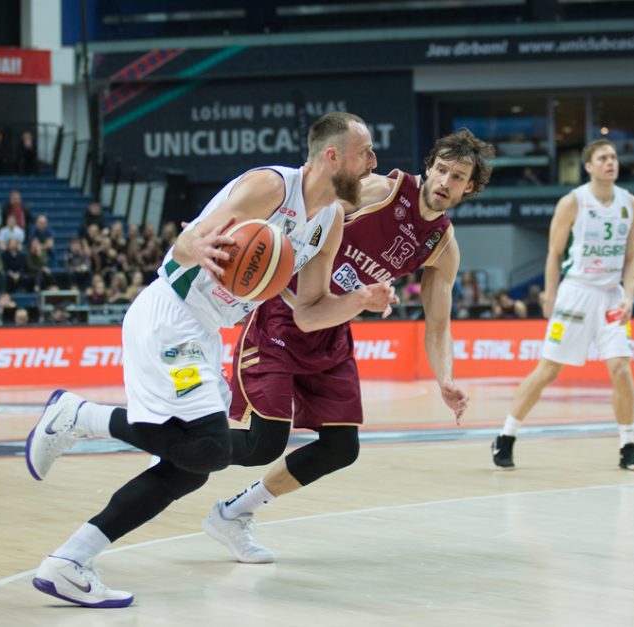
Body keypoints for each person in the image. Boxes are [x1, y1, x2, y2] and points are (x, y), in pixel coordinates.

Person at [23, 112, 395, 608]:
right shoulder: (269, 187)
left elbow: (307, 314)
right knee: (205, 448)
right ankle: (80, 417)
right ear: (333, 156)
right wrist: (192, 243)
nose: (373, 162)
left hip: (203, 333)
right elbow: (183, 245)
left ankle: (68, 562)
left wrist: (360, 302)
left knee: (194, 463)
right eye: (366, 152)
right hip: (170, 316)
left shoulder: (328, 224)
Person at [202, 129, 493, 565]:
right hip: (285, 311)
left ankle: (233, 514)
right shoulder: (379, 190)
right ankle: (175, 438)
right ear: (429, 167)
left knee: (341, 447)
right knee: (265, 442)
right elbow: (309, 212)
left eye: (457, 177)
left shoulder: (442, 247)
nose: (445, 182)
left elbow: (437, 326)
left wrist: (445, 378)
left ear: (469, 187)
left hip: (332, 326)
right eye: (442, 170)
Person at [491, 139, 634, 471]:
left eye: (614, 157)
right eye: (603, 158)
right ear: (589, 166)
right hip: (575, 292)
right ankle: (506, 435)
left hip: (611, 295)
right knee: (549, 370)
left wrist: (629, 296)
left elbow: (632, 258)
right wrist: (549, 295)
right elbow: (554, 253)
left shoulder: (631, 204)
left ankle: (628, 444)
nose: (611, 162)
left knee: (621, 367)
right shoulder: (573, 202)